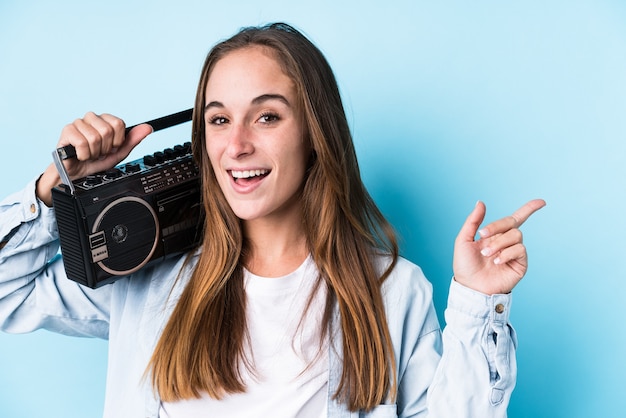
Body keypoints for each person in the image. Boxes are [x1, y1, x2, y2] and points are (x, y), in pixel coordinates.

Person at [0, 22, 545, 418]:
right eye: (218, 119)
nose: (236, 145)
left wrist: (477, 305)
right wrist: (53, 194)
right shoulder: (144, 281)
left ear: (314, 133)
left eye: (266, 116)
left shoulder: (390, 291)